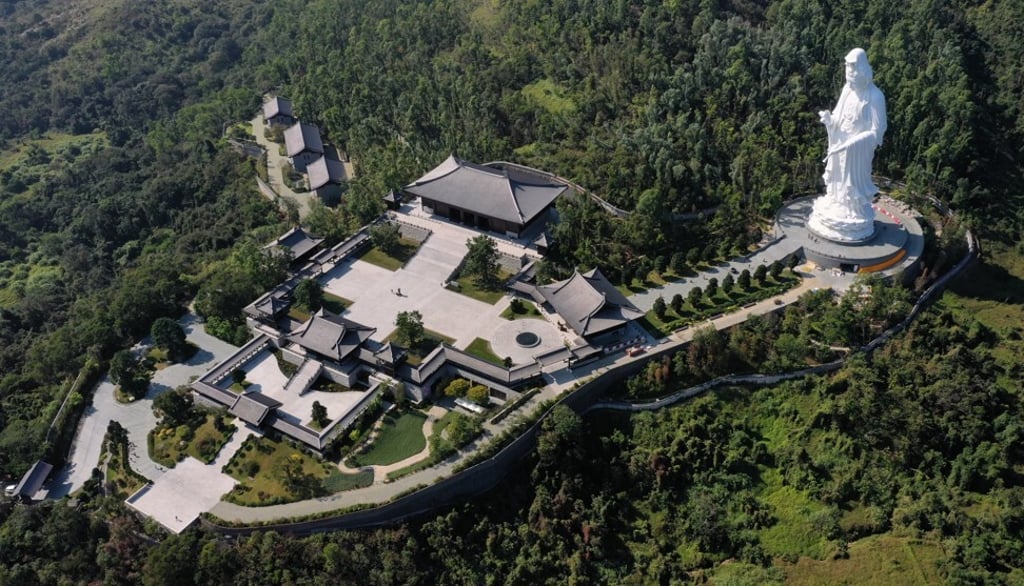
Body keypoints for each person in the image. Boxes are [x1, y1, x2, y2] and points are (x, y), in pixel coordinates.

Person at [807, 48, 887, 242]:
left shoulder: (875, 96)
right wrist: (829, 120)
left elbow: (878, 130)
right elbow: (838, 116)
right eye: (847, 70)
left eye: (854, 70)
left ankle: (852, 209)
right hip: (839, 144)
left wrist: (853, 143)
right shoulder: (847, 90)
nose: (850, 76)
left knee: (851, 182)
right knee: (837, 179)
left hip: (857, 151)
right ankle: (836, 201)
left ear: (863, 70)